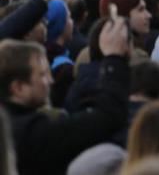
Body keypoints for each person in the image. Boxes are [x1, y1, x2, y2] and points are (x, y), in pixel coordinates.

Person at [0, 19, 130, 175]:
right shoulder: (31, 133)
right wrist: (113, 59)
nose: (50, 80)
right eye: (41, 75)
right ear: (18, 88)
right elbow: (108, 117)